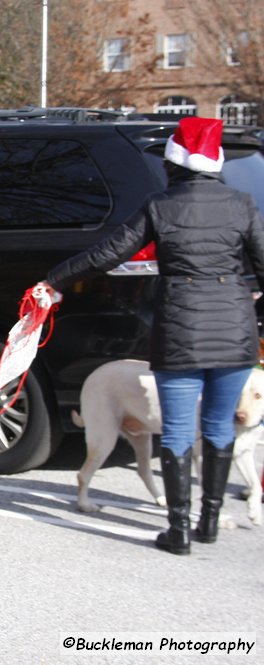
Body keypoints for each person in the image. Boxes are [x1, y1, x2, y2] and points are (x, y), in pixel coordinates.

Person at [42, 116, 264, 555]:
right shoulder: (242, 204)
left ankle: (178, 531)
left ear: (174, 163)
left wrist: (55, 280)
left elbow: (107, 253)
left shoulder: (159, 206)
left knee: (179, 431)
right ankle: (209, 523)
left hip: (180, 329)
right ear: (215, 163)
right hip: (235, 330)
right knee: (219, 428)